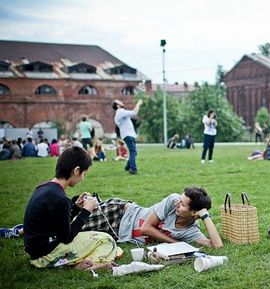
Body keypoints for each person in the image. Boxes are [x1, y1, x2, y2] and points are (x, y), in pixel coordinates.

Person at [23, 146, 122, 270]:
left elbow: (58, 224)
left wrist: (76, 207)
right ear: (76, 170)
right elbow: (67, 237)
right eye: (83, 174)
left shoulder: (44, 188)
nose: (82, 179)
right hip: (46, 255)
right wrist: (86, 211)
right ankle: (88, 266)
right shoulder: (60, 198)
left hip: (37, 250)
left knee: (96, 236)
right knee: (107, 240)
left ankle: (78, 262)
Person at [80, 186, 223, 249]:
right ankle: (85, 204)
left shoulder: (191, 231)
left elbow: (217, 246)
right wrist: (175, 243)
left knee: (80, 241)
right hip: (118, 214)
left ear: (194, 213)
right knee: (69, 231)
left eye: (183, 204)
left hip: (118, 235)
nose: (177, 204)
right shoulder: (172, 201)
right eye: (180, 200)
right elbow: (145, 229)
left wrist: (205, 215)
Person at [113, 98, 143, 174]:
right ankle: (133, 169)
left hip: (129, 135)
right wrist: (138, 104)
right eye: (119, 102)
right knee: (133, 152)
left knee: (134, 152)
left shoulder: (119, 113)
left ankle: (127, 167)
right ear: (117, 106)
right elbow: (134, 112)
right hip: (128, 135)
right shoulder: (121, 112)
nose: (121, 102)